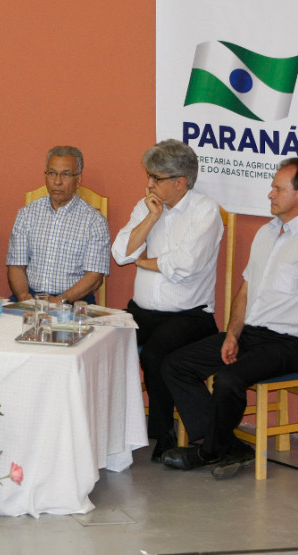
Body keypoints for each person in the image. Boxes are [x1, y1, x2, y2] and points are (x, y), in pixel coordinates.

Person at [161, 158, 298, 479]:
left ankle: (209, 451)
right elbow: (246, 290)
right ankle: (228, 445)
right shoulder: (266, 233)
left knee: (230, 380)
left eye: (277, 188)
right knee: (176, 364)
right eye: (271, 187)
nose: (270, 194)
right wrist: (232, 334)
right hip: (250, 336)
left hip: (288, 343)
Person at [111, 139, 223, 462]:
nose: (149, 184)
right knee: (107, 338)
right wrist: (150, 219)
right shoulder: (146, 205)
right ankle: (114, 425)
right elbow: (120, 253)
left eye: (155, 178)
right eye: (149, 177)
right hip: (142, 311)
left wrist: (145, 262)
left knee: (158, 351)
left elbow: (184, 266)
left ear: (180, 182)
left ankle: (162, 433)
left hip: (190, 316)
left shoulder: (205, 211)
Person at [7, 146, 109, 305]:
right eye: (52, 173)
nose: (57, 181)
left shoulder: (94, 221)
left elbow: (94, 278)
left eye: (66, 174)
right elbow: (16, 266)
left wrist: (59, 300)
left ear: (79, 180)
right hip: (31, 298)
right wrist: (24, 297)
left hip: (73, 301)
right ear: (45, 176)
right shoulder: (27, 214)